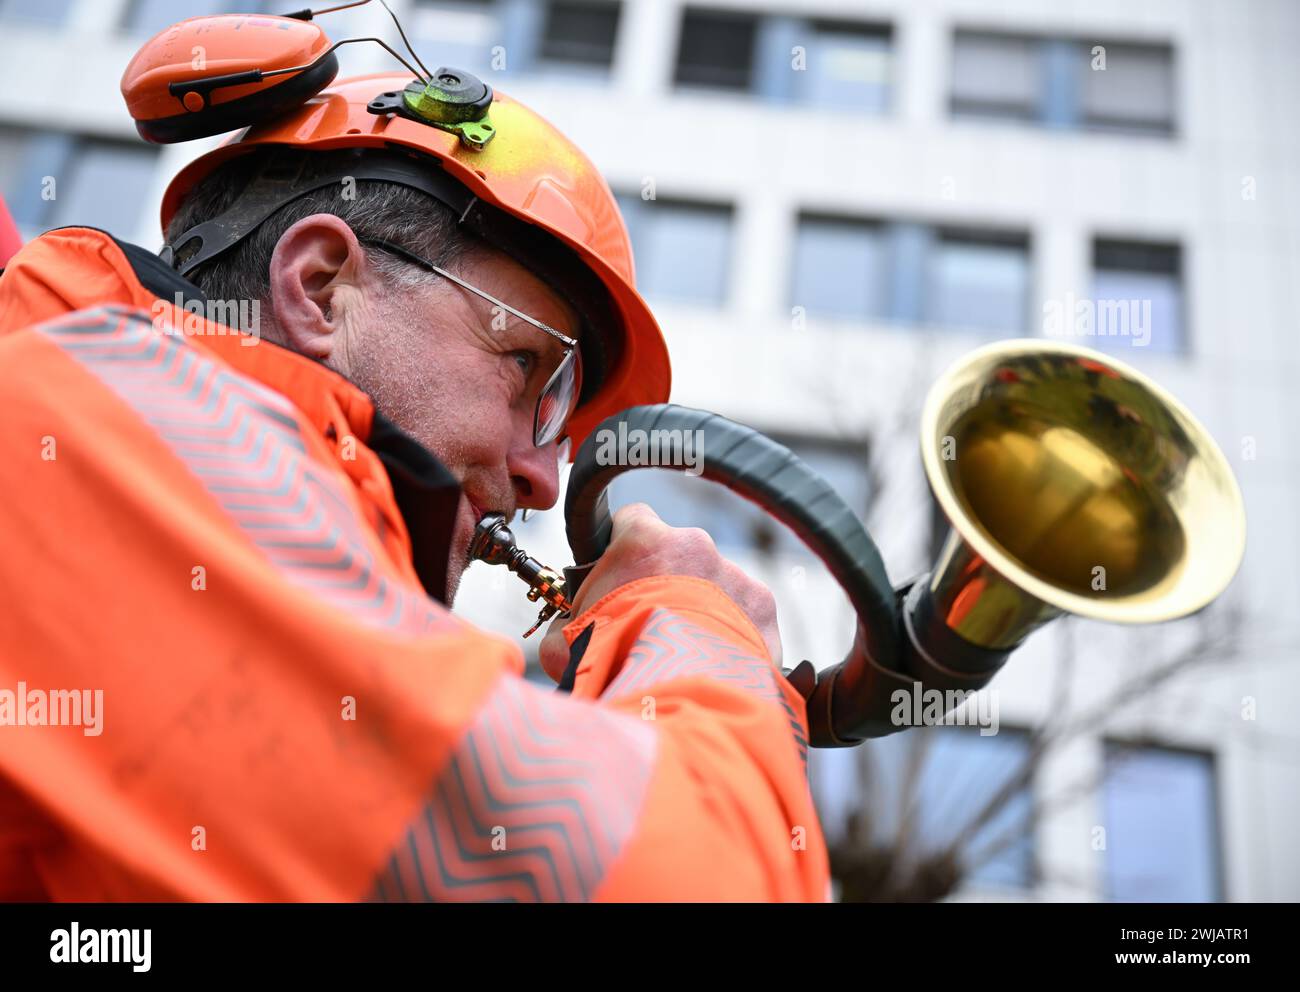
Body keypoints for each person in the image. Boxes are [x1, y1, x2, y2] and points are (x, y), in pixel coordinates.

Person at [0, 64, 828, 901]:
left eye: (561, 418)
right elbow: (698, 883)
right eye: (523, 366)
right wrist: (693, 630)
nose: (543, 478)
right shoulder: (116, 432)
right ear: (324, 290)